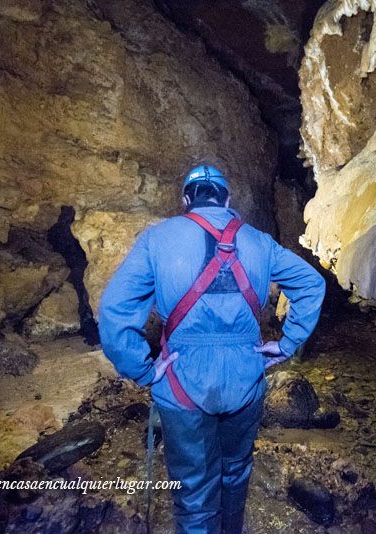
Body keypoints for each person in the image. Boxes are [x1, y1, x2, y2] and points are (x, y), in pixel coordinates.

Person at [98, 164, 326, 533]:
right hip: (246, 377)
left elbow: (114, 312)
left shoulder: (158, 240)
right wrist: (288, 343)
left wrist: (141, 368)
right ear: (227, 199)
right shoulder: (259, 241)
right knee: (235, 472)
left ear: (187, 200)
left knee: (193, 490)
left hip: (182, 381)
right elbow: (311, 283)